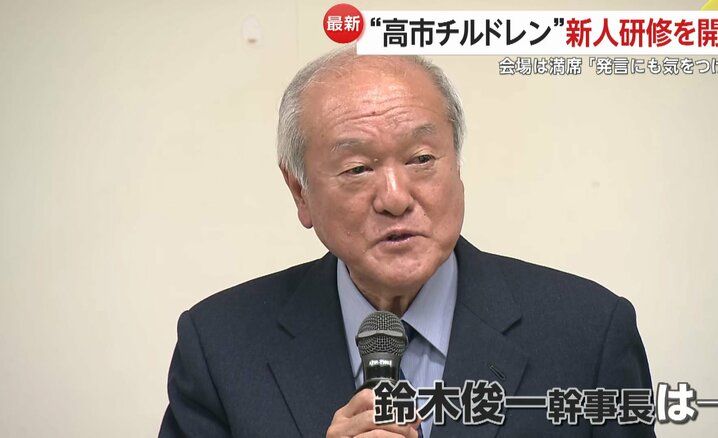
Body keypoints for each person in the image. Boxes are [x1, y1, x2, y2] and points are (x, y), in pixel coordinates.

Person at [159, 47, 654, 438]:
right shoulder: (220, 345)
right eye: (358, 168)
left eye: (421, 159)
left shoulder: (588, 333)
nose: (395, 198)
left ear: (457, 166)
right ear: (300, 192)